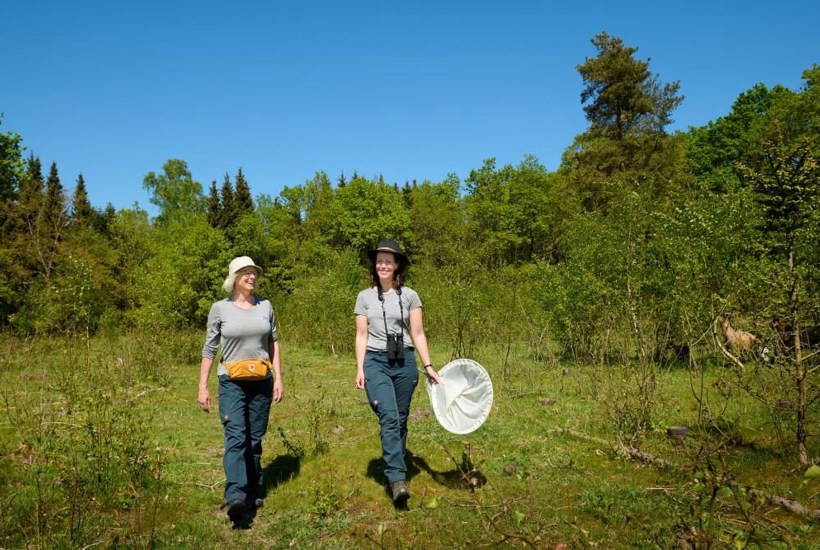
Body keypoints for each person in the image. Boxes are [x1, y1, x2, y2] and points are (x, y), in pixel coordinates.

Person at [198, 256, 284, 524]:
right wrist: (202, 385)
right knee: (236, 435)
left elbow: (274, 344)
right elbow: (210, 347)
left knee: (255, 438)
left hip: (261, 380)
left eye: (254, 273)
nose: (252, 277)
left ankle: (253, 488)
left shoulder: (266, 306)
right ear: (234, 277)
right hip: (231, 381)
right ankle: (236, 496)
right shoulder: (219, 309)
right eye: (246, 273)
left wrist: (279, 378)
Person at [355, 239, 440, 506]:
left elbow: (417, 333)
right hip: (375, 362)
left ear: (397, 265)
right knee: (389, 416)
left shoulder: (411, 296)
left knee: (401, 419)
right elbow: (361, 335)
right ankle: (397, 479)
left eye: (388, 261)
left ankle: (395, 465)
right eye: (379, 260)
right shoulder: (364, 297)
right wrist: (359, 368)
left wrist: (428, 366)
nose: (383, 265)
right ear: (375, 265)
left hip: (404, 361)